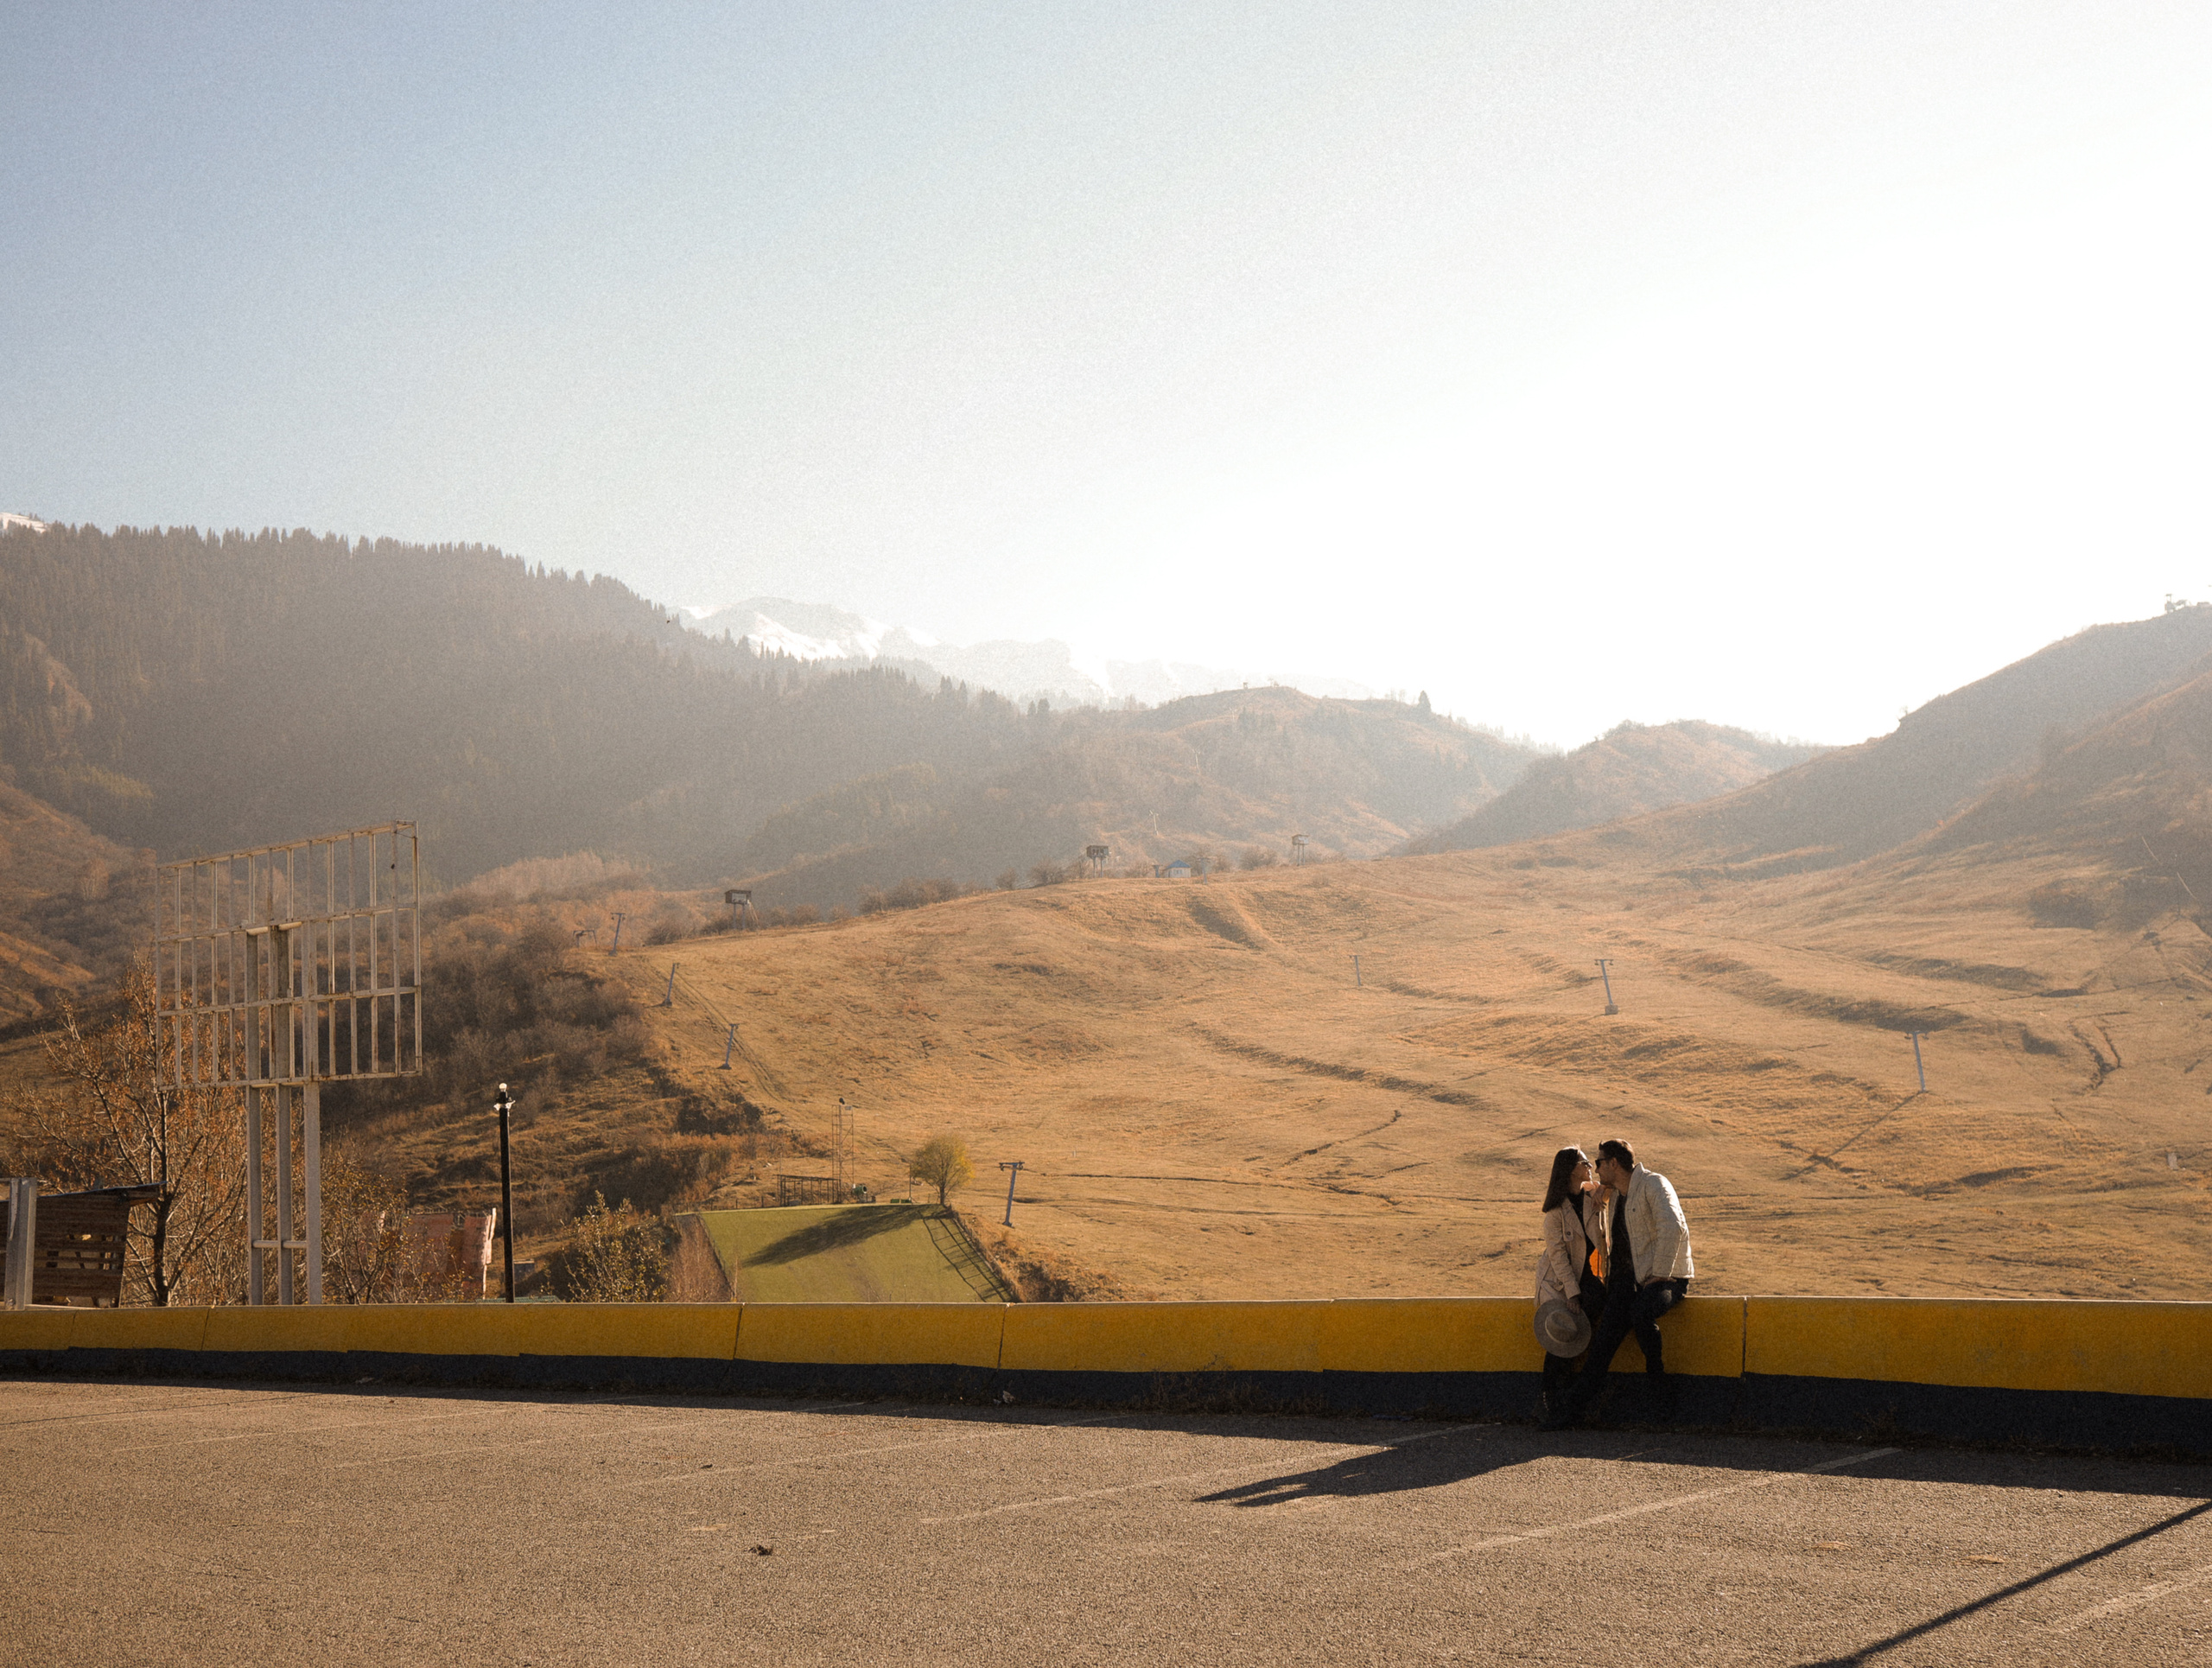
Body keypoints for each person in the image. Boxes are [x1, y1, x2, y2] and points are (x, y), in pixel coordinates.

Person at [1551, 1137, 1693, 1426]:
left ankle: (1661, 1392)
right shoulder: (1616, 1193)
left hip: (1668, 1279)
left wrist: (1662, 1272)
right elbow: (1588, 1190)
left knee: (1641, 1313)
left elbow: (1673, 1225)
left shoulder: (1654, 1184)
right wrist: (1600, 1191)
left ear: (1614, 1163)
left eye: (1599, 1162)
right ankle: (1569, 1412)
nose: (1596, 1167)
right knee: (1604, 1340)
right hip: (1633, 1283)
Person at [1534, 1146, 1609, 1418]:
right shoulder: (1555, 1211)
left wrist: (1601, 1192)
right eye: (1584, 1162)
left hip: (1587, 1275)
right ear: (1569, 1169)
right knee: (1563, 1335)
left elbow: (1613, 1187)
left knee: (1585, 1327)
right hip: (1559, 1282)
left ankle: (1567, 1397)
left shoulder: (1591, 1197)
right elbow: (1558, 1257)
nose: (1590, 1166)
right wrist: (1572, 1294)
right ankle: (1548, 1398)